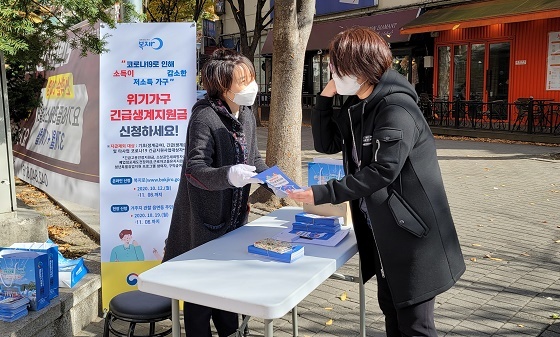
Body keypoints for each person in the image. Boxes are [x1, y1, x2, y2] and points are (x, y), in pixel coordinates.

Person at [287, 27, 466, 337]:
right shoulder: (361, 103)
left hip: (412, 235)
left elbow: (384, 171)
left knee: (415, 325)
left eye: (338, 66)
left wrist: (322, 193)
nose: (334, 71)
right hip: (384, 231)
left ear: (361, 67)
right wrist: (326, 96)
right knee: (392, 313)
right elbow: (327, 143)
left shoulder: (396, 108)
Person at [162, 48, 267, 337]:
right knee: (200, 300)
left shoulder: (245, 114)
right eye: (243, 81)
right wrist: (229, 175)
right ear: (223, 87)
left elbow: (254, 159)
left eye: (251, 78)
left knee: (228, 292)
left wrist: (274, 180)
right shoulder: (204, 117)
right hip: (204, 220)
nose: (251, 87)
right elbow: (195, 169)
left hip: (234, 218)